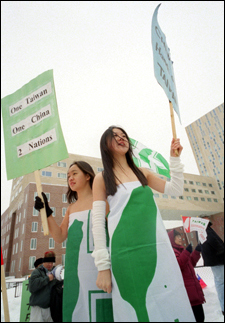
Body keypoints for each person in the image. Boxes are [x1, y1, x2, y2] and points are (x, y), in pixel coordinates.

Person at [91, 126, 196, 322]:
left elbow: (175, 188)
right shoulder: (102, 178)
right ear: (105, 144)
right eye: (115, 136)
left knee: (169, 301)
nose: (122, 139)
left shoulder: (142, 172)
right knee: (137, 310)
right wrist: (103, 267)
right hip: (125, 255)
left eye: (124, 136)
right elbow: (97, 223)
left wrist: (174, 159)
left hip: (158, 251)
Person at [34, 161, 113, 322]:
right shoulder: (71, 208)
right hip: (75, 273)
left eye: (75, 173)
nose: (70, 178)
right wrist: (46, 211)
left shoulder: (104, 202)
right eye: (68, 176)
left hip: (100, 270)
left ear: (88, 176)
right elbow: (60, 236)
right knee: (78, 311)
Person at [168, 229, 205, 322]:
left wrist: (196, 252)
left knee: (200, 317)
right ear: (172, 239)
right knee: (197, 317)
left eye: (180, 236)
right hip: (187, 291)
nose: (180, 238)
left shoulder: (181, 250)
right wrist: (187, 252)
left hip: (193, 288)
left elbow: (191, 263)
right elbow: (178, 265)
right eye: (177, 236)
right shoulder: (172, 252)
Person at [198, 214, 224, 316]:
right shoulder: (206, 230)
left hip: (216, 260)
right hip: (218, 260)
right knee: (221, 283)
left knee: (220, 282)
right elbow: (216, 243)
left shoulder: (202, 231)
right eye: (206, 218)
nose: (208, 219)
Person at [29, 251, 57, 322]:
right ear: (44, 261)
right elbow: (32, 287)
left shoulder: (54, 272)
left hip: (49, 308)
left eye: (51, 262)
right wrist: (47, 279)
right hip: (38, 308)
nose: (50, 264)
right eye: (48, 262)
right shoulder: (37, 272)